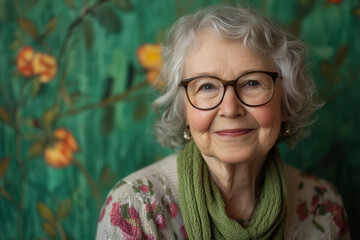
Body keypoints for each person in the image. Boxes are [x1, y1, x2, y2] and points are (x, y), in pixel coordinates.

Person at [96, 4, 350, 240]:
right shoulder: (135, 207)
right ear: (184, 110)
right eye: (206, 86)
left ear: (285, 102)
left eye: (252, 83)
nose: (230, 109)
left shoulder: (323, 206)